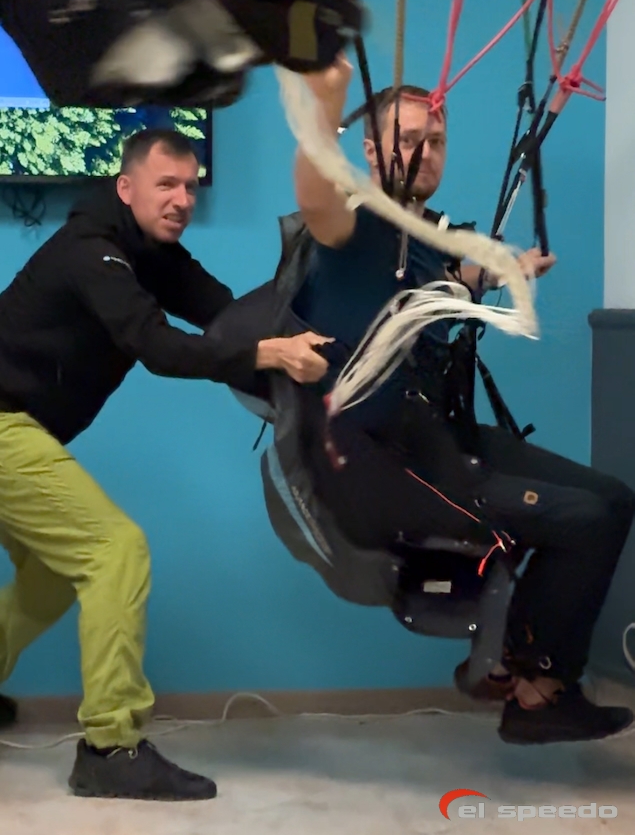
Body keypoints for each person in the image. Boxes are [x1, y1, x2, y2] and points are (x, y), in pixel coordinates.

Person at [290, 54, 635, 745]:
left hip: (435, 438)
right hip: (377, 463)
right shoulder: (357, 228)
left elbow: (446, 280)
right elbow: (316, 200)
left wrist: (503, 271)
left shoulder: (424, 236)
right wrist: (322, 107)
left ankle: (516, 668)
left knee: (613, 498)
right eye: (407, 138)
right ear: (370, 152)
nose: (425, 152)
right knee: (582, 519)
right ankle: (532, 686)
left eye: (437, 140)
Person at [0, 128, 331, 800]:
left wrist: (319, 335)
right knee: (114, 551)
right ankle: (110, 747)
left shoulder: (155, 255)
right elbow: (158, 348)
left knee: (56, 574)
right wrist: (268, 355)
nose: (182, 199)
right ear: (126, 188)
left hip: (20, 429)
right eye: (166, 185)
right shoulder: (93, 253)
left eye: (190, 187)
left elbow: (227, 317)